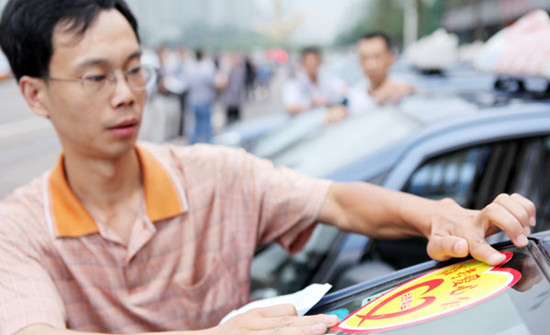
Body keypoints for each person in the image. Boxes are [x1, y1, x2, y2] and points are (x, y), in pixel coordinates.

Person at [0, 1, 536, 334]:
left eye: (136, 70)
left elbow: (338, 200)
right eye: (95, 78)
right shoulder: (19, 229)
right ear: (35, 94)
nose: (125, 95)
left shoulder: (215, 175)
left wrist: (440, 216)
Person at [347, 32, 415, 114]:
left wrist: (409, 90)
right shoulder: (354, 97)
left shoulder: (404, 90)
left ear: (391, 57)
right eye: (364, 58)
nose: (370, 66)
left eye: (377, 57)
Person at [282, 47, 347, 117]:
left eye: (314, 62)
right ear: (303, 64)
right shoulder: (294, 83)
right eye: (308, 62)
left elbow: (343, 88)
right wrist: (312, 105)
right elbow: (291, 107)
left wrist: (329, 101)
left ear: (319, 63)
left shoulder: (326, 78)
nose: (311, 65)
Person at [186, 49, 217, 144]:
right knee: (206, 126)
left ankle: (192, 145)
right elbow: (213, 82)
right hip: (205, 100)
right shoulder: (206, 68)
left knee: (196, 125)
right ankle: (207, 145)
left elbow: (187, 84)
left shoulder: (191, 68)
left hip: (194, 100)